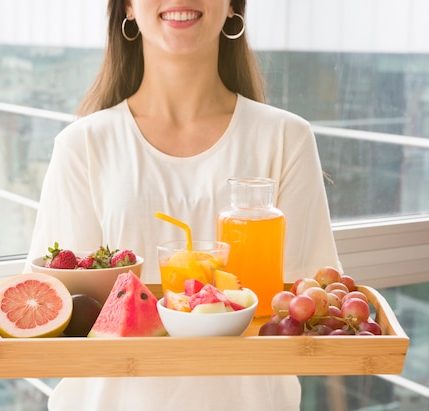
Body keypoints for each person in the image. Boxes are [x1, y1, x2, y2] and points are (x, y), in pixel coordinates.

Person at [25, 0, 342, 410]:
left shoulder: (286, 138)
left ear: (232, 6)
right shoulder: (83, 145)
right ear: (127, 8)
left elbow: (307, 304)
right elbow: (55, 305)